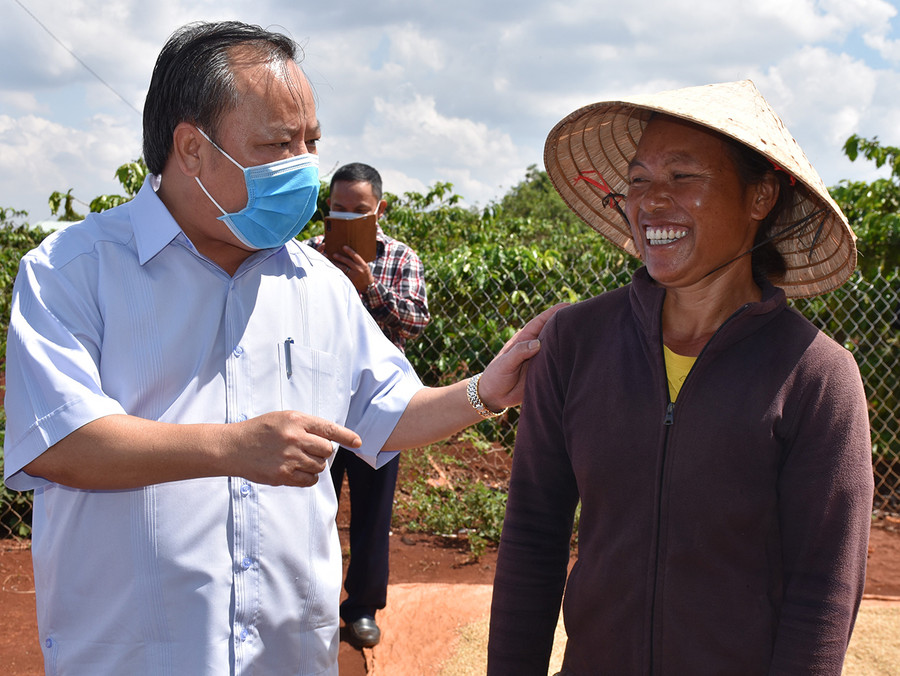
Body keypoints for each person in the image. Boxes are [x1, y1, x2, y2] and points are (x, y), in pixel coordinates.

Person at [2, 21, 557, 676]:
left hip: (288, 657)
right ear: (190, 149)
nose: (303, 167)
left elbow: (382, 410)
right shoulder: (72, 271)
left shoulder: (316, 282)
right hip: (133, 657)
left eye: (310, 142)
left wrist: (483, 392)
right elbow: (62, 445)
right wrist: (234, 448)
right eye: (277, 144)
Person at [487, 80, 874, 675]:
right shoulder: (574, 344)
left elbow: (823, 588)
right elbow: (534, 536)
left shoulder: (817, 376)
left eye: (683, 177)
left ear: (760, 197)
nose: (651, 201)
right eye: (638, 180)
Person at [306, 162, 431, 647]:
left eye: (360, 210)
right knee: (311, 507)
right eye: (339, 208)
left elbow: (415, 322)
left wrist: (367, 290)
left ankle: (361, 608)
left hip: (380, 404)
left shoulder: (400, 258)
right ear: (327, 210)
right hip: (317, 402)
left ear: (380, 209)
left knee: (373, 514)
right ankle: (309, 603)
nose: (349, 216)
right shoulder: (309, 256)